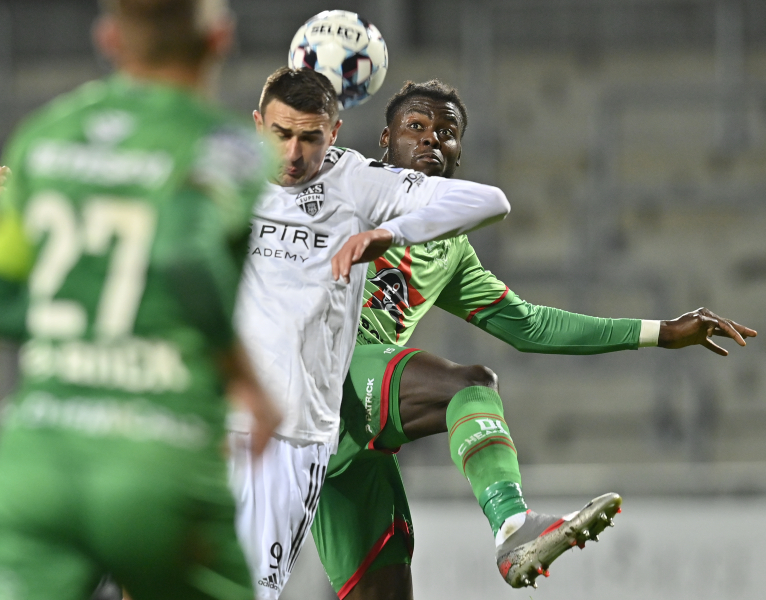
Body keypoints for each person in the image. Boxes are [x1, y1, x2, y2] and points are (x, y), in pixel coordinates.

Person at [309, 80, 758, 599]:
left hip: (348, 435)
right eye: (416, 126)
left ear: (459, 153)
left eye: (447, 132)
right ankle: (512, 524)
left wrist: (661, 332)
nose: (432, 138)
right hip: (320, 376)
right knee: (469, 387)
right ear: (386, 138)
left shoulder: (450, 246)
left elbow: (530, 325)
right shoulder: (345, 183)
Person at [0, 1, 280, 599]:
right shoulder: (227, 145)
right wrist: (245, 379)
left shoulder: (45, 137)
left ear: (109, 38)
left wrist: (77, 314)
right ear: (220, 39)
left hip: (37, 458)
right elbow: (184, 251)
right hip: (161, 454)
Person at [223, 67, 512, 599]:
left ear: (333, 135)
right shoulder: (225, 174)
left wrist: (392, 232)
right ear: (258, 125)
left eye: (310, 138)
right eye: (281, 134)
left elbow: (490, 201)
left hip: (296, 438)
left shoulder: (355, 182)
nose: (293, 153)